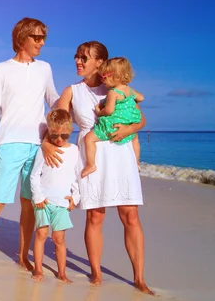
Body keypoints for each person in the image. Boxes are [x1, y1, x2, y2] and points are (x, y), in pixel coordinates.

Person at [42, 40, 154, 295]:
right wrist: (46, 144)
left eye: (84, 57)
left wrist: (131, 128)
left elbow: (141, 118)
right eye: (77, 56)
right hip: (91, 157)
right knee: (96, 216)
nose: (78, 61)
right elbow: (55, 122)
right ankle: (96, 273)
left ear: (100, 63)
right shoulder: (72, 91)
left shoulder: (116, 86)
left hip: (120, 154)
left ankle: (139, 278)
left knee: (131, 216)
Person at [0, 17, 59, 276]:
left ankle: (22, 257)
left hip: (38, 145)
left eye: (44, 38)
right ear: (22, 39)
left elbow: (54, 99)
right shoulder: (1, 69)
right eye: (37, 37)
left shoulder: (44, 68)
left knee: (29, 204)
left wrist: (80, 97)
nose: (41, 42)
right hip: (9, 144)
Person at [30, 109, 80, 283]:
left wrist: (76, 197)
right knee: (41, 235)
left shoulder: (74, 151)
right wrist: (38, 197)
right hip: (43, 200)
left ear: (71, 130)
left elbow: (77, 176)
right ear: (48, 131)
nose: (59, 140)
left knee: (59, 238)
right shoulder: (44, 150)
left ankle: (62, 272)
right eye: (54, 136)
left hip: (62, 202)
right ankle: (38, 269)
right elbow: (35, 175)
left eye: (64, 136)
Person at [81, 57, 145, 177]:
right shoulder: (129, 91)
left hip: (111, 127)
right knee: (135, 139)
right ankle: (136, 162)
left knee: (88, 139)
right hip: (127, 126)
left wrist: (99, 112)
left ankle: (91, 165)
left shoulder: (113, 92)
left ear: (117, 76)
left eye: (104, 77)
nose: (102, 80)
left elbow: (109, 110)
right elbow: (141, 97)